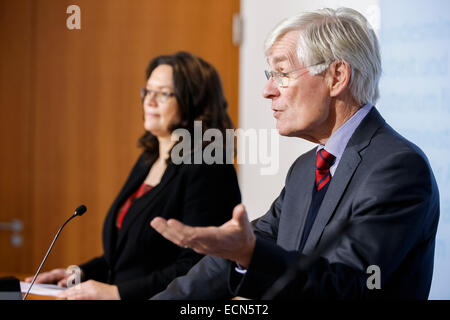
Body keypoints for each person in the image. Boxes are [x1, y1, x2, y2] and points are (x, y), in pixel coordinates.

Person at [150, 8, 440, 299]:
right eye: (270, 75)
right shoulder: (306, 168)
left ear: (336, 76)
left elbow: (348, 284)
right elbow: (245, 249)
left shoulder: (398, 169)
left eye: (282, 73)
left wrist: (251, 255)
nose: (267, 90)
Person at [25, 51, 241, 300]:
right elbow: (128, 257)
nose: (149, 101)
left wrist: (119, 293)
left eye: (163, 94)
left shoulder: (207, 168)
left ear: (194, 101)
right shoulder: (148, 160)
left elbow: (200, 266)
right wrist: (78, 273)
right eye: (147, 92)